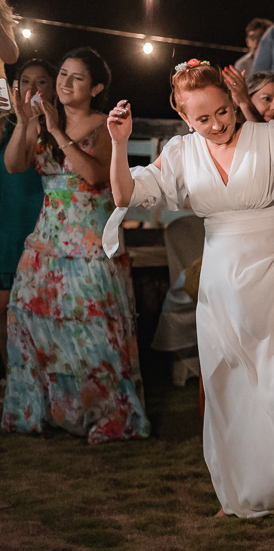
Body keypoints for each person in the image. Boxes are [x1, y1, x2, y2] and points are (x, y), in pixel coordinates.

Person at [104, 60, 274, 525]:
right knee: (233, 390)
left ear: (232, 101)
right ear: (183, 117)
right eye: (202, 119)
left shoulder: (270, 137)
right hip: (224, 284)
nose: (217, 125)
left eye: (223, 111)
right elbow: (126, 194)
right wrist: (119, 144)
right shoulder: (181, 152)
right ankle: (240, 492)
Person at [2, 48, 149, 442]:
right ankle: (46, 410)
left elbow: (95, 177)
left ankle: (102, 413)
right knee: (37, 326)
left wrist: (57, 133)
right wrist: (24, 123)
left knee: (92, 334)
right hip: (47, 243)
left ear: (96, 87)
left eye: (76, 78)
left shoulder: (104, 124)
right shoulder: (44, 121)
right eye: (62, 75)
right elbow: (14, 165)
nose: (65, 84)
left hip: (88, 245)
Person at [1, 60, 55, 376]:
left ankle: (43, 376)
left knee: (40, 307)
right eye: (25, 81)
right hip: (8, 219)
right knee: (4, 306)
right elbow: (10, 165)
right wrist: (18, 121)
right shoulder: (8, 123)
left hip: (43, 223)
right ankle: (14, 376)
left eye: (41, 82)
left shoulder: (59, 127)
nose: (32, 89)